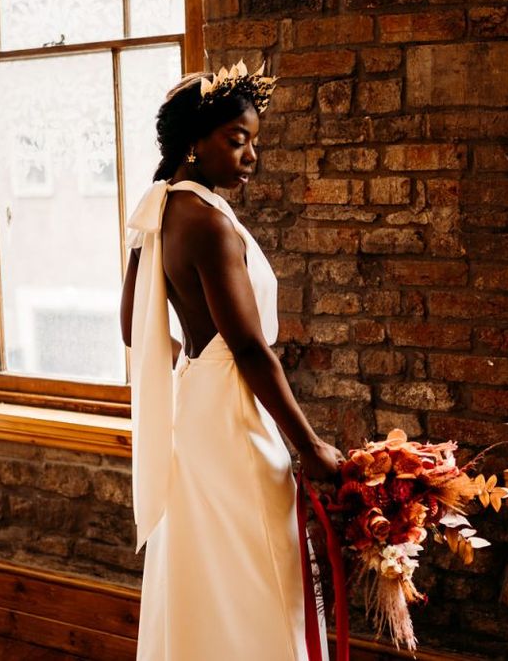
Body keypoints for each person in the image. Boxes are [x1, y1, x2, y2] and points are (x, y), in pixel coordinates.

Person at [120, 60, 346, 660]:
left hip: (196, 411)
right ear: (195, 142)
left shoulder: (161, 210)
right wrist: (310, 446)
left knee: (209, 564)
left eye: (254, 143)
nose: (251, 157)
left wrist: (195, 364)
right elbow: (249, 348)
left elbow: (132, 328)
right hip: (232, 419)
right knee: (260, 565)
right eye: (237, 140)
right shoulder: (209, 224)